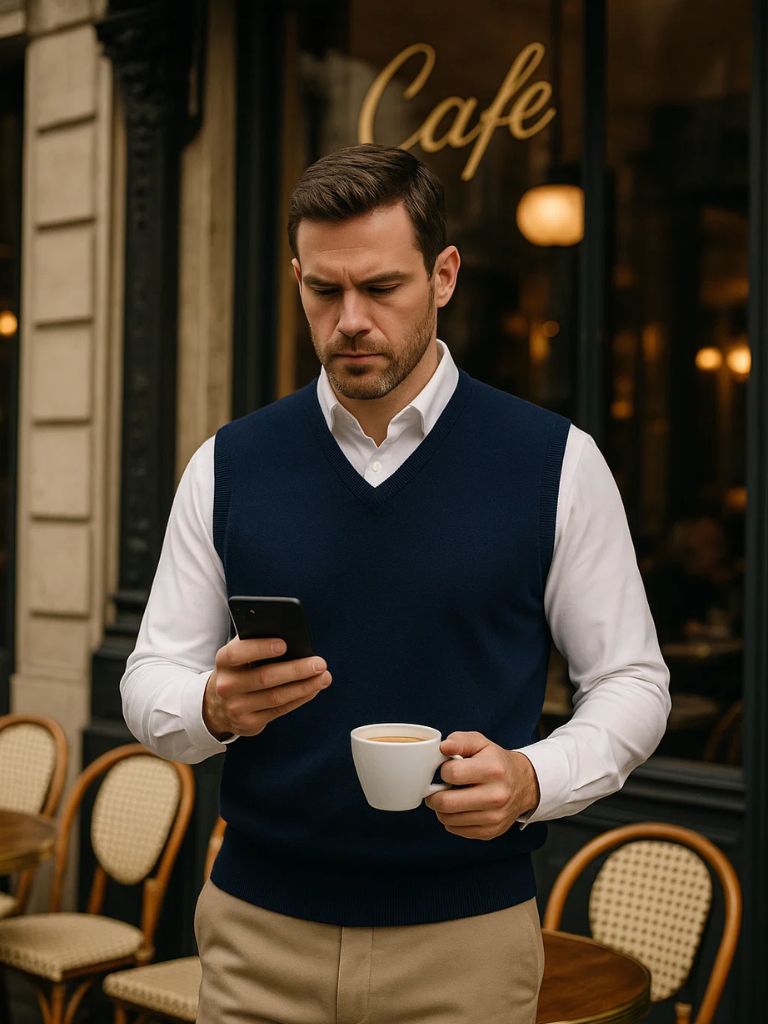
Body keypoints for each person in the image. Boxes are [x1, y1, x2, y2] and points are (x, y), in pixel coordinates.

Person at [121, 144, 670, 1024]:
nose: (350, 321)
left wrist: (531, 778)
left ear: (443, 274)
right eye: (324, 290)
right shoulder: (229, 464)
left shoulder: (554, 462)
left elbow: (633, 683)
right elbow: (149, 679)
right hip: (256, 936)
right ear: (296, 277)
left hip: (468, 942)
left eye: (381, 289)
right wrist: (214, 708)